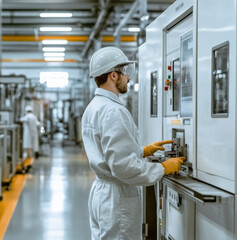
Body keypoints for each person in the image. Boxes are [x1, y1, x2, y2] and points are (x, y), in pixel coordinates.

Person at [81, 46, 185, 239]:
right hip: (117, 198)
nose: (128, 78)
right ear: (113, 75)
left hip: (102, 194)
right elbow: (122, 166)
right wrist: (163, 168)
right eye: (124, 73)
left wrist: (142, 151)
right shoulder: (113, 111)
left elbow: (108, 152)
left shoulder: (94, 107)